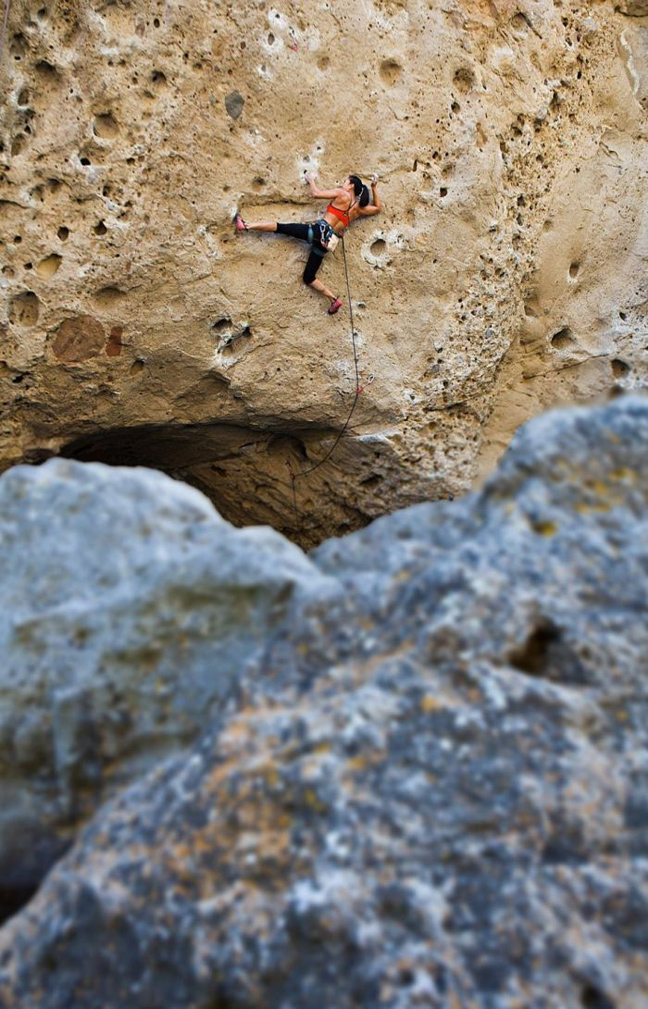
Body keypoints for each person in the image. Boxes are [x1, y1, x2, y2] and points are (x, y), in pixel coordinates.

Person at [235, 173, 382, 314]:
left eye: (345, 181)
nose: (342, 183)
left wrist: (311, 180)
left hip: (317, 232)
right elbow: (377, 208)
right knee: (309, 277)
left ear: (350, 186)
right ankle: (333, 300)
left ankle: (246, 226)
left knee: (280, 227)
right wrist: (374, 187)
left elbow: (316, 194)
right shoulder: (358, 209)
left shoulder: (341, 194)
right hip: (327, 243)